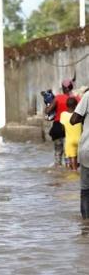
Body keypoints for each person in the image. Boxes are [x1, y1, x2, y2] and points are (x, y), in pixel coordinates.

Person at [46, 79, 80, 166]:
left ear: (63, 88)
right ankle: (69, 174)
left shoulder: (58, 98)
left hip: (58, 127)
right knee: (69, 154)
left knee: (58, 153)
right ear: (71, 87)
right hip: (71, 128)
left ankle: (58, 174)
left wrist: (48, 104)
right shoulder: (77, 98)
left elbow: (47, 111)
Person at [70, 90, 89, 219]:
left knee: (86, 190)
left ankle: (85, 227)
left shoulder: (88, 96)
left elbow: (73, 119)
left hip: (87, 149)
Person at [60, 97, 82, 171]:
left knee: (72, 157)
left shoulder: (63, 114)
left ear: (67, 105)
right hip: (80, 139)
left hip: (69, 140)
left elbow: (62, 128)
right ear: (76, 105)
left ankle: (74, 172)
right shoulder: (79, 115)